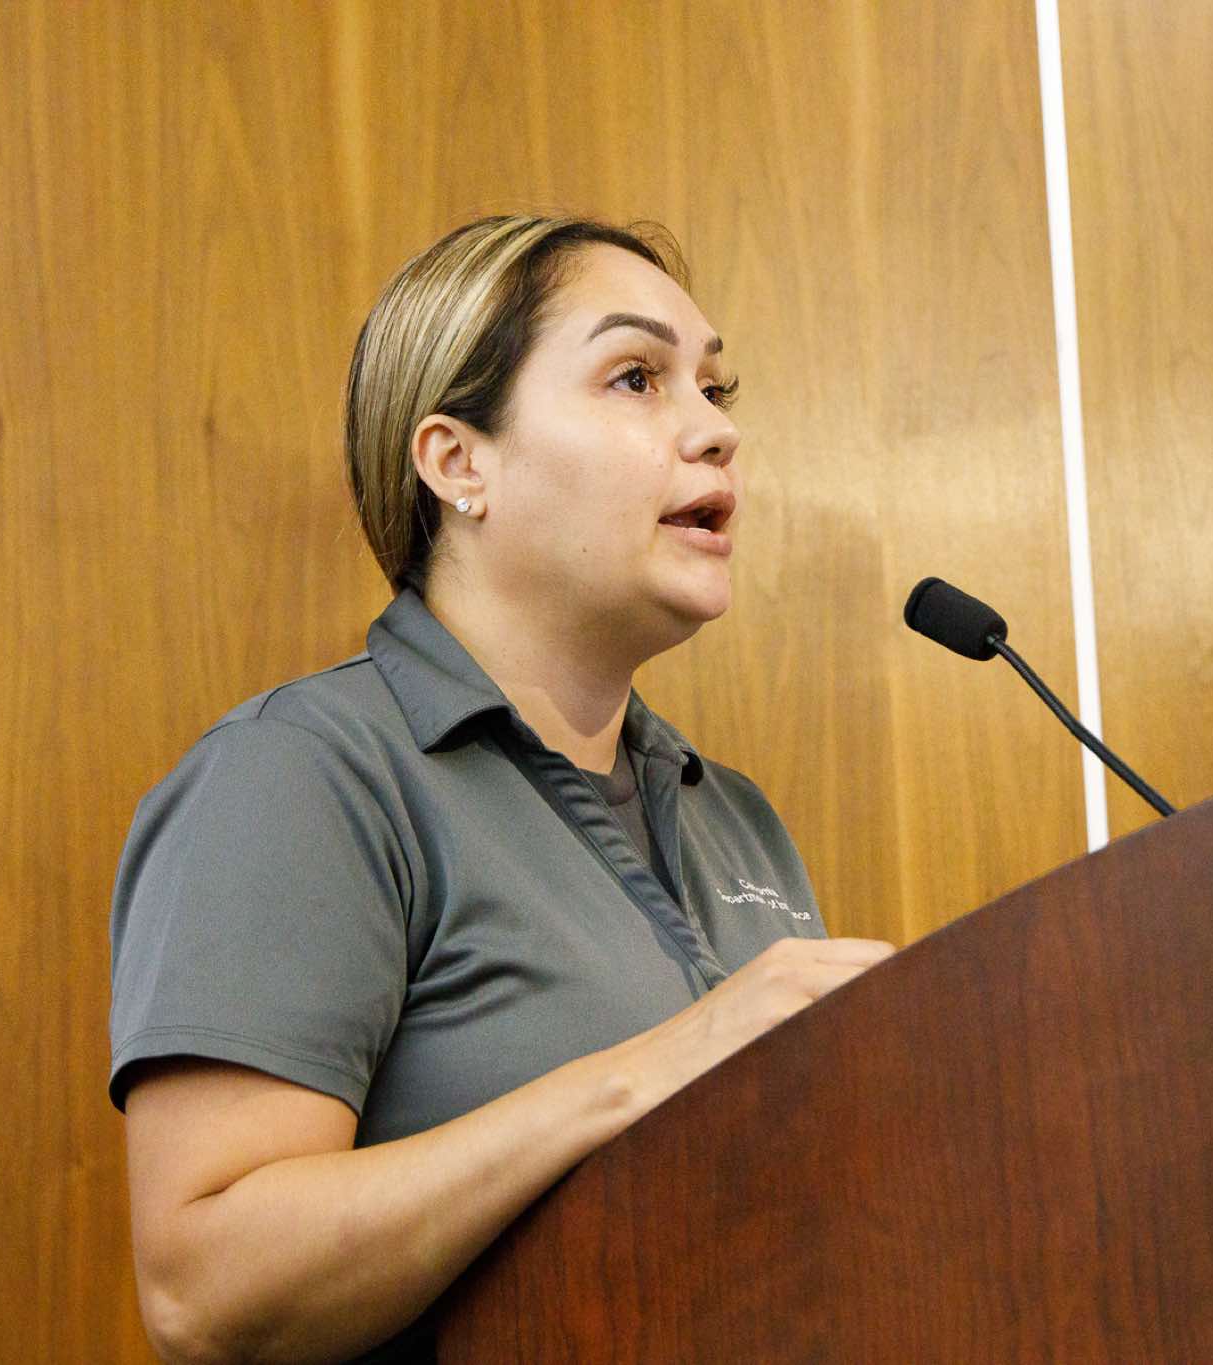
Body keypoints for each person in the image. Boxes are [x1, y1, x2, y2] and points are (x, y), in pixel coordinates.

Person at [109, 214, 896, 1365]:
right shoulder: (304, 775)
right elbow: (204, 1290)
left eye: (714, 387)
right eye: (636, 378)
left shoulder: (734, 817)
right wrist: (641, 1075)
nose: (714, 429)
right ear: (456, 463)